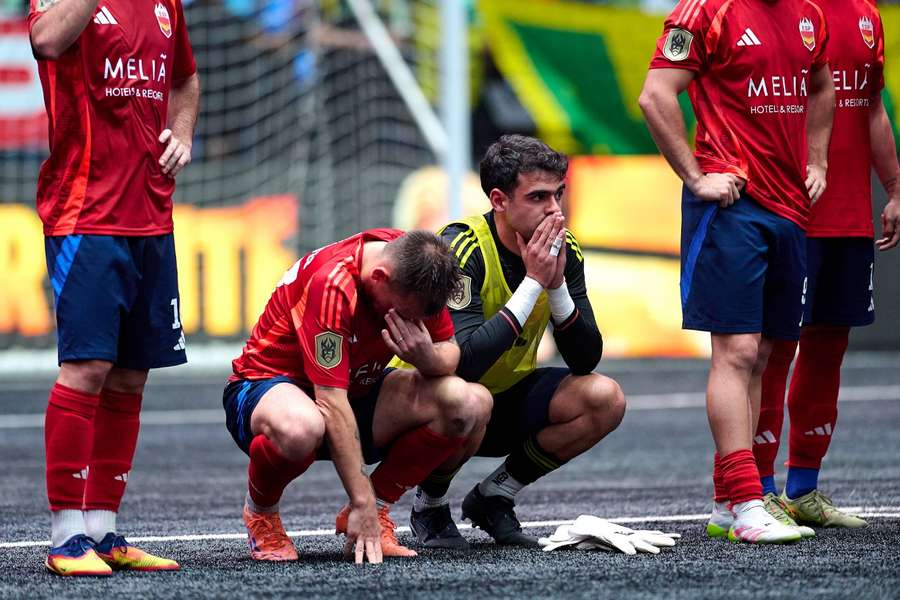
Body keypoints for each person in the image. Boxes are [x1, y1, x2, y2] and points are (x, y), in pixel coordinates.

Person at [639, 0, 834, 543]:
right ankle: (748, 498)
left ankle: (730, 502)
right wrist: (698, 177)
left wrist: (817, 158)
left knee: (766, 354)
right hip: (732, 207)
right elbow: (655, 95)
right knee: (739, 351)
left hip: (791, 209)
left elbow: (822, 86)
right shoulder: (704, 12)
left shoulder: (810, 13)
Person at [28, 0, 200, 576]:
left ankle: (103, 531)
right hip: (87, 215)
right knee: (88, 369)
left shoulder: (165, 3)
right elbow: (47, 40)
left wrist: (183, 132)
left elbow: (185, 77)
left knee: (130, 376)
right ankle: (64, 536)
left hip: (153, 214)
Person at [398, 135, 626, 549]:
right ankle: (429, 505)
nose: (555, 210)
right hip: (428, 406)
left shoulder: (563, 248)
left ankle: (494, 495)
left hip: (500, 399)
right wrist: (533, 283)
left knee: (603, 397)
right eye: (538, 196)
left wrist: (555, 288)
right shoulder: (460, 247)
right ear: (500, 200)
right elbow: (463, 363)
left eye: (558, 194)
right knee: (468, 396)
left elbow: (585, 358)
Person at [224, 229, 492, 564]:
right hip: (268, 388)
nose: (411, 321)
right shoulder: (333, 284)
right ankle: (261, 512)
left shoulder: (419, 264)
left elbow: (449, 354)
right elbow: (330, 403)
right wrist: (360, 497)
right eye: (405, 314)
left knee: (470, 402)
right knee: (301, 426)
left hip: (356, 388)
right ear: (380, 278)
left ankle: (378, 511)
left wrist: (424, 356)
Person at [753, 0, 899, 529]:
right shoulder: (781, 11)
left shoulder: (867, 14)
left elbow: (873, 108)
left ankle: (804, 488)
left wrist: (895, 187)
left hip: (850, 216)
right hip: (789, 212)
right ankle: (758, 490)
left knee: (829, 346)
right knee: (773, 349)